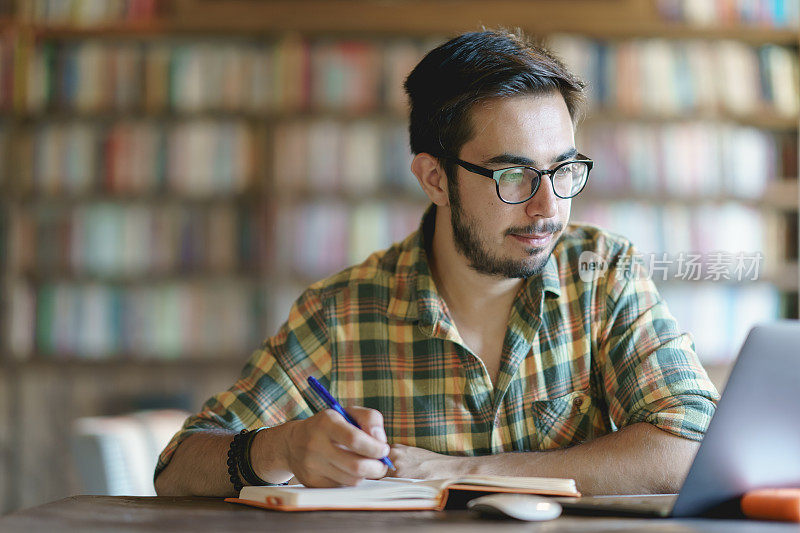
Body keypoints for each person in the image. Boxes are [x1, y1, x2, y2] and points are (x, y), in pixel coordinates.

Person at [154, 29, 719, 497]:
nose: (550, 207)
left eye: (564, 170)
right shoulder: (343, 312)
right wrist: (283, 447)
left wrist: (468, 473)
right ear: (434, 179)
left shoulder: (604, 272)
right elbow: (176, 470)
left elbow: (693, 447)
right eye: (512, 176)